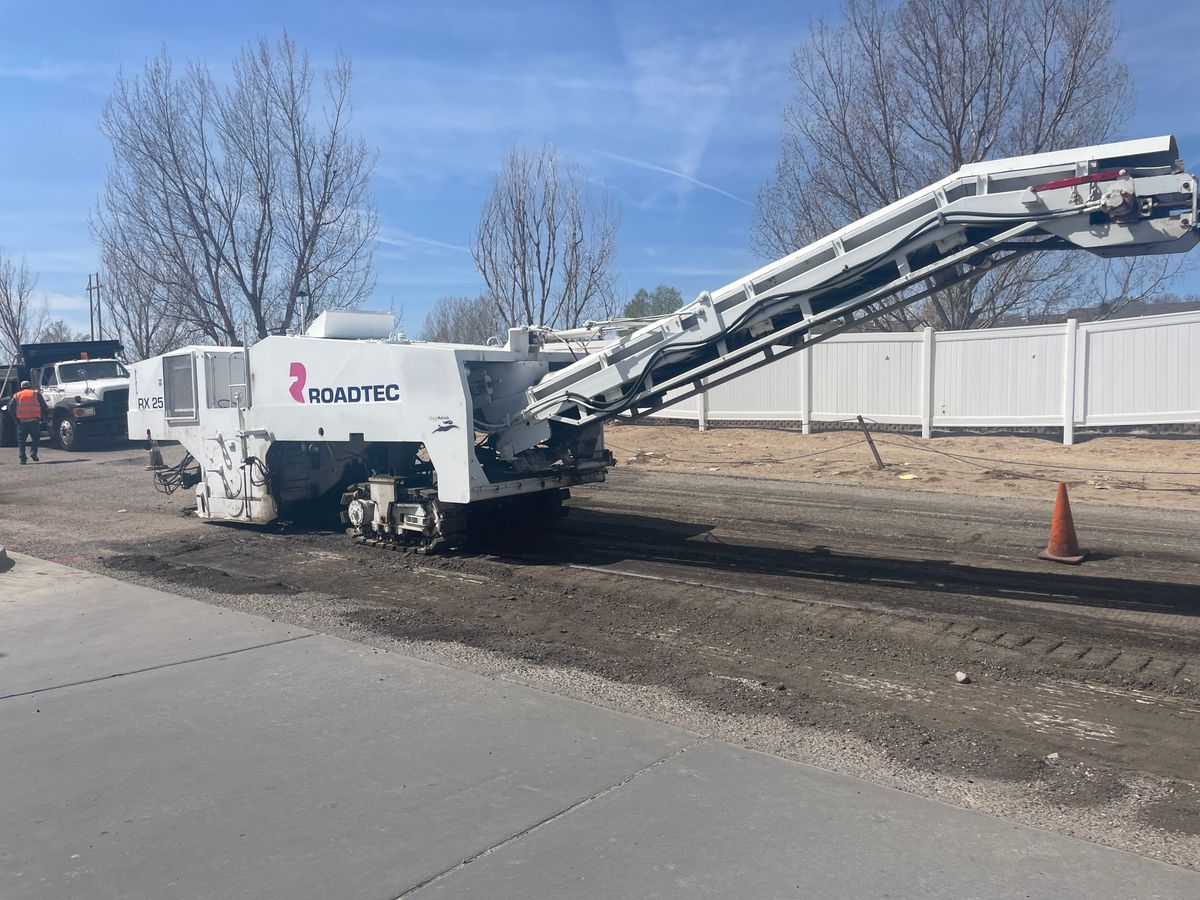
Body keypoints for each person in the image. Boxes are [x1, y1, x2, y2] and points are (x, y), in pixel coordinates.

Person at [11, 380, 47, 465]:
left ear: (21, 387)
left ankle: (22, 459)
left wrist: (16, 418)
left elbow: (11, 407)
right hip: (34, 421)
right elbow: (43, 406)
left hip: (22, 422)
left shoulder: (17, 395)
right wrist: (42, 417)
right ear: (30, 386)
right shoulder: (36, 394)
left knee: (21, 441)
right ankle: (33, 453)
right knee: (36, 438)